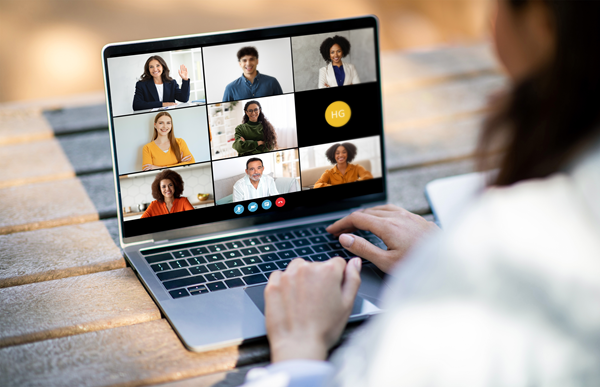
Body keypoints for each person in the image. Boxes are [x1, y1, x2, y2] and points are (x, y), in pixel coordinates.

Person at [240, 1, 600, 385]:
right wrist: (450, 256)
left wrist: (300, 347)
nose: (491, 17)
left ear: (542, 24)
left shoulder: (509, 235)